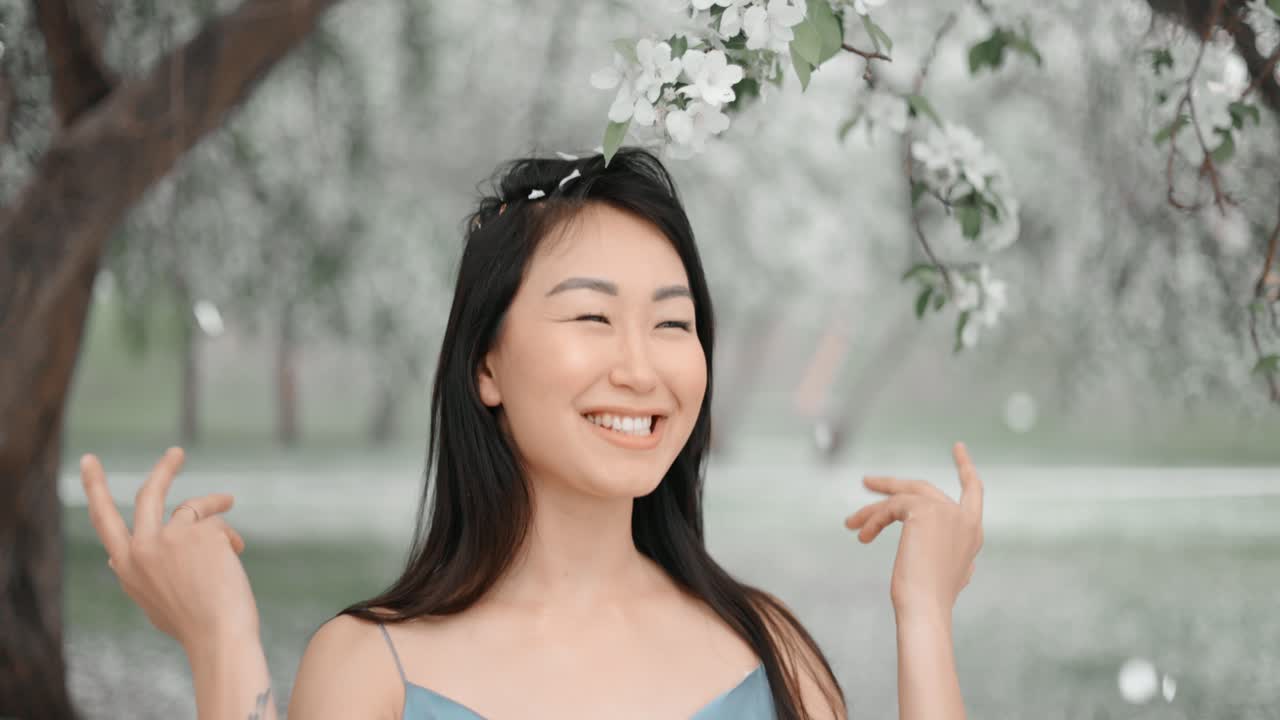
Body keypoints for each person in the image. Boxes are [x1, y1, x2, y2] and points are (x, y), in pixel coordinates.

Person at [79, 148, 985, 719]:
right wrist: (222, 641)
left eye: (674, 324)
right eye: (592, 318)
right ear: (486, 365)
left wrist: (924, 618)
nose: (643, 367)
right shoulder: (373, 670)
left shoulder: (767, 652)